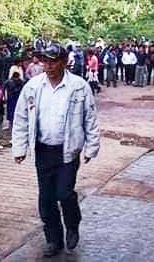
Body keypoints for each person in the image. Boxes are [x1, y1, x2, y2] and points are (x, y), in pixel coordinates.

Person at [12, 44, 100, 257]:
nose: (48, 66)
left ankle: (72, 224)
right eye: (45, 61)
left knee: (64, 193)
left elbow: (90, 117)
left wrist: (91, 147)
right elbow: (21, 118)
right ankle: (53, 239)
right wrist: (19, 147)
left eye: (53, 61)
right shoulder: (33, 86)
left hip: (68, 150)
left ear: (64, 62)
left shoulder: (79, 86)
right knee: (46, 198)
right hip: (43, 150)